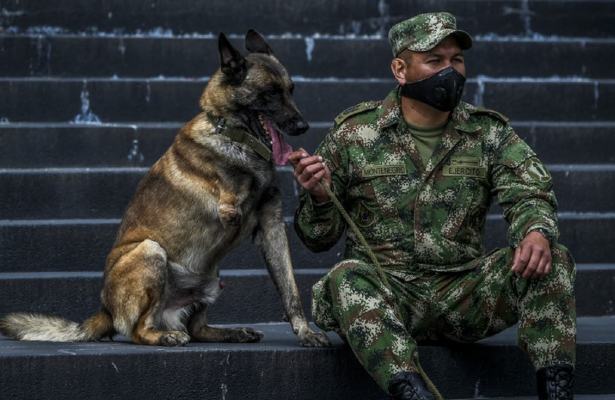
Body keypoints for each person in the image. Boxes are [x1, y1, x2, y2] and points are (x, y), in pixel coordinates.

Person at [289, 12, 576, 400]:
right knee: (345, 278)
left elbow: (528, 190)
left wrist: (535, 230)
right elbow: (317, 238)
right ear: (400, 69)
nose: (450, 71)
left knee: (552, 257)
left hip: (464, 293)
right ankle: (411, 390)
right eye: (435, 61)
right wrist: (319, 197)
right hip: (388, 294)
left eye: (456, 59)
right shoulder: (356, 133)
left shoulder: (487, 132)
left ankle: (556, 388)